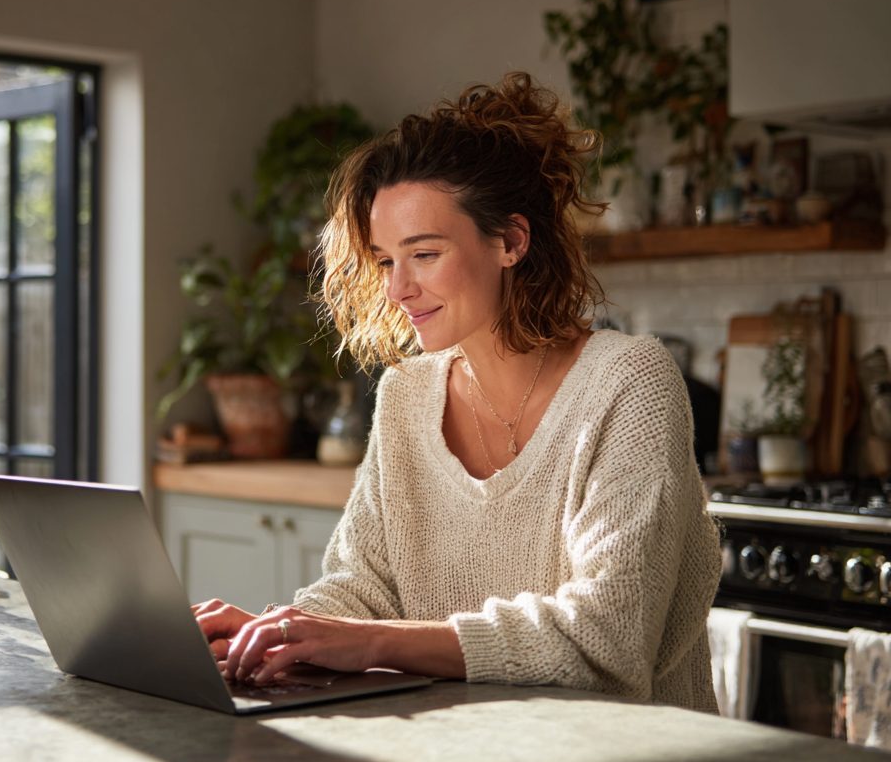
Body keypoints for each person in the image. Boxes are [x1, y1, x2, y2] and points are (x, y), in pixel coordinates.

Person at [193, 71, 721, 712]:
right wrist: (270, 634)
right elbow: (363, 592)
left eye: (424, 253)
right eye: (387, 260)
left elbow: (607, 641)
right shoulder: (406, 395)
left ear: (511, 242)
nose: (396, 290)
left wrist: (372, 643)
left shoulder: (629, 383)